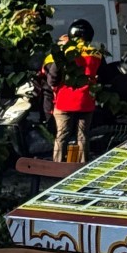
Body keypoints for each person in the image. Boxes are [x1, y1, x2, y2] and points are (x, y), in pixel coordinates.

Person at [44, 18, 103, 163]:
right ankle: (82, 168)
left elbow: (52, 79)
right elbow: (105, 75)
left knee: (61, 136)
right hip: (86, 102)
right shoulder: (96, 53)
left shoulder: (63, 52)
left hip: (64, 102)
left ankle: (58, 168)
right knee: (83, 137)